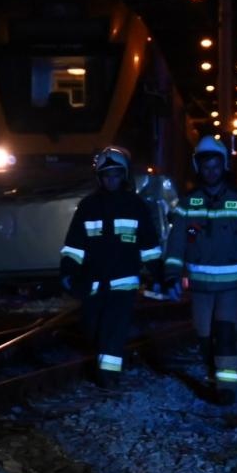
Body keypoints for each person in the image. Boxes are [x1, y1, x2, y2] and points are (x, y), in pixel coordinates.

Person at [163, 137, 237, 403]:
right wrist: (171, 276)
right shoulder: (188, 204)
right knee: (204, 336)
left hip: (231, 285)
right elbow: (176, 244)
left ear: (224, 166)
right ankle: (214, 378)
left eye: (215, 166)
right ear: (198, 168)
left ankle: (226, 390)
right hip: (200, 286)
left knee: (225, 334)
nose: (211, 172)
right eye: (206, 167)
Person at [59, 146, 163, 387]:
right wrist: (68, 271)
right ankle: (106, 372)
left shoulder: (135, 206)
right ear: (100, 177)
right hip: (93, 282)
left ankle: (108, 378)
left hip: (123, 282)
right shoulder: (88, 206)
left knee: (113, 330)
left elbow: (149, 246)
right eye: (107, 175)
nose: (111, 180)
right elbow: (74, 246)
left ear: (123, 175)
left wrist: (159, 275)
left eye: (116, 175)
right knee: (93, 328)